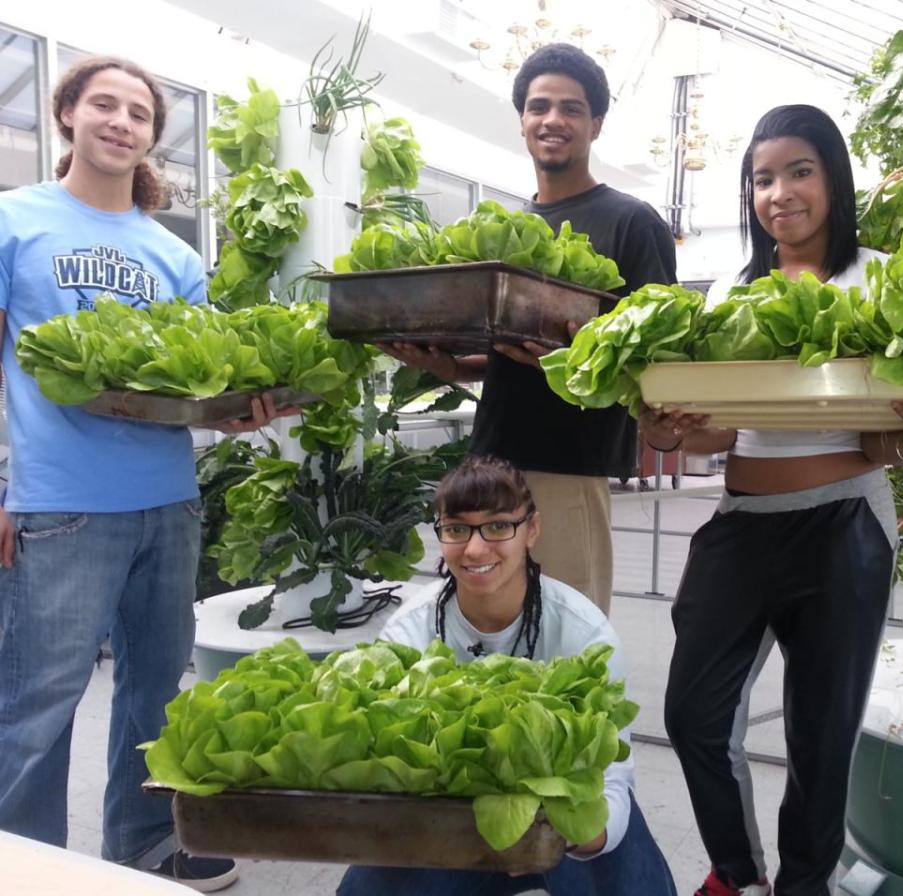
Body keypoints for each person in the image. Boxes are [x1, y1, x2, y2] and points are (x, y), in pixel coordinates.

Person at [640, 105, 903, 896]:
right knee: (694, 718)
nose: (779, 193)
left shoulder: (879, 279)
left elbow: (891, 436)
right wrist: (672, 436)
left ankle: (804, 883)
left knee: (820, 733)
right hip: (738, 526)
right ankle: (736, 874)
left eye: (798, 171)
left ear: (834, 181)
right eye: (761, 178)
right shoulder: (734, 295)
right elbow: (719, 440)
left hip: (844, 524)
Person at [0, 56, 288, 892]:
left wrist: (239, 410)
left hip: (168, 501)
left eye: (138, 113)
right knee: (36, 708)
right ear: (67, 114)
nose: (121, 122)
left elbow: (189, 387)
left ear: (153, 137)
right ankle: (27, 866)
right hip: (59, 505)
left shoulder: (173, 253)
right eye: (104, 105)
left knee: (157, 693)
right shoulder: (16, 220)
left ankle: (143, 840)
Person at [381, 43, 677, 615]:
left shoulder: (632, 223)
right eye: (539, 106)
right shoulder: (508, 230)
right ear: (522, 122)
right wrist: (451, 367)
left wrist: (567, 359)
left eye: (571, 108)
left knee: (566, 638)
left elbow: (656, 362)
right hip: (490, 462)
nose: (553, 120)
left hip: (569, 467)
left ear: (596, 124)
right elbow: (504, 357)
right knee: (482, 635)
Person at [337, 455, 677, 896]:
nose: (476, 549)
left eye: (498, 526)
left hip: (559, 810)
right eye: (457, 529)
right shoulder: (410, 630)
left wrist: (575, 834)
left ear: (531, 530)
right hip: (449, 813)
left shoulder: (582, 631)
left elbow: (612, 774)